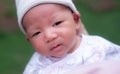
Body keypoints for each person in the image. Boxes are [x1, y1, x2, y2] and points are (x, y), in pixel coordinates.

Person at [15, 0, 120, 74]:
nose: (49, 36)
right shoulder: (37, 65)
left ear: (76, 20)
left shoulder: (97, 46)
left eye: (57, 23)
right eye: (37, 33)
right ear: (29, 40)